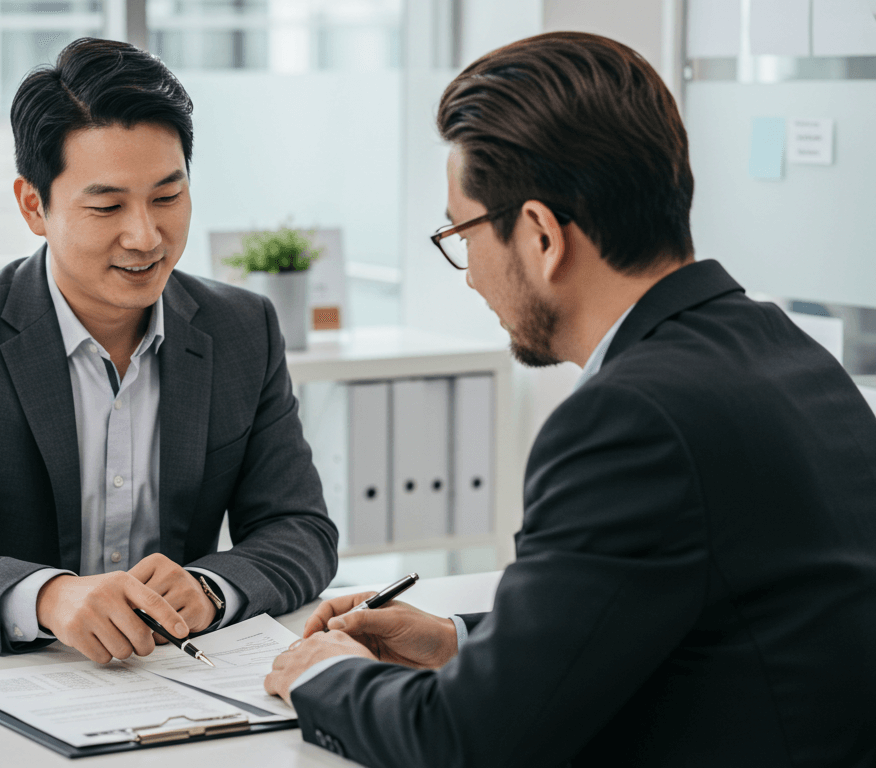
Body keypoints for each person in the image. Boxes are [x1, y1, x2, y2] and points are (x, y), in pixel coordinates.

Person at [264, 31, 876, 766]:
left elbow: (467, 742)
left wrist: (325, 674)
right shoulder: (783, 350)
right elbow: (664, 613)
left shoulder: (629, 421)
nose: (469, 275)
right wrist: (457, 640)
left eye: (462, 234)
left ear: (541, 236)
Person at [0, 37, 337, 664]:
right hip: (6, 683)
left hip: (180, 682)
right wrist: (47, 597)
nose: (145, 236)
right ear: (34, 205)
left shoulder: (242, 328)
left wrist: (209, 589)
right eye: (107, 206)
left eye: (167, 198)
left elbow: (301, 530)